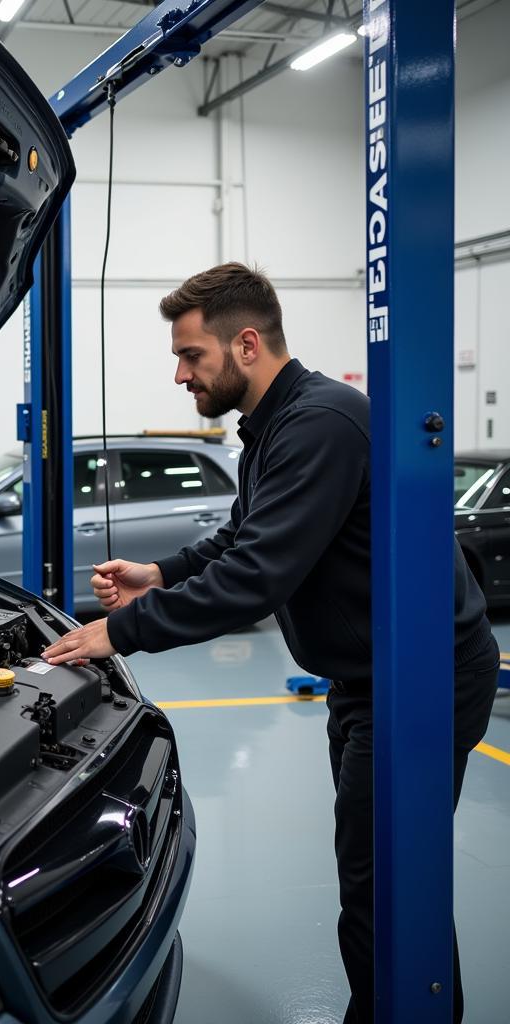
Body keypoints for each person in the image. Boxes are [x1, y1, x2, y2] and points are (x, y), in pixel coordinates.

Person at [40, 262, 499, 1023]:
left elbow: (256, 577)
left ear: (246, 343)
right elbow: (243, 538)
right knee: (383, 877)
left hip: (420, 683)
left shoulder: (320, 422)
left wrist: (121, 631)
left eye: (192, 355)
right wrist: (160, 573)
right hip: (370, 679)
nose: (180, 374)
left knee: (385, 885)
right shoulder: (281, 423)